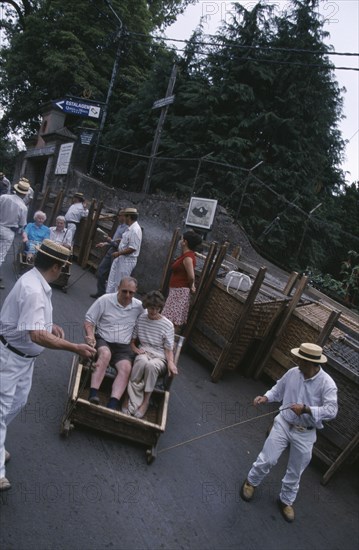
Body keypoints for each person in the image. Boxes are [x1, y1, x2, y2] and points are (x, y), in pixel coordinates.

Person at [0, 239, 96, 491]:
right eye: (63, 266)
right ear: (55, 266)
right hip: (10, 358)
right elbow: (36, 335)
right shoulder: (33, 289)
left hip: (23, 359)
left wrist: (47, 324)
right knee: (1, 409)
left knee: (17, 403)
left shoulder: (36, 282)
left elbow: (36, 325)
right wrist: (75, 347)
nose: (64, 270)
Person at [240, 342, 338, 523]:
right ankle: (250, 482)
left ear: (310, 363)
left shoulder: (327, 384)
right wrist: (266, 397)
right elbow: (278, 389)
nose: (297, 360)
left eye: (301, 359)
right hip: (284, 423)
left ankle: (286, 501)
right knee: (268, 458)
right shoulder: (293, 373)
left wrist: (307, 409)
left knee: (296, 470)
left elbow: (332, 411)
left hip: (306, 432)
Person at [84, 276, 145, 410]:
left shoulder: (139, 307)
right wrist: (90, 336)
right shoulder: (105, 300)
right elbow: (89, 320)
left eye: (131, 292)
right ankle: (93, 393)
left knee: (126, 368)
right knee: (105, 354)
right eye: (124, 291)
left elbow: (149, 321)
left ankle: (113, 402)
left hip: (123, 346)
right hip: (103, 339)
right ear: (118, 288)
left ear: (135, 292)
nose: (127, 295)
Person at [124, 290, 178, 419]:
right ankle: (128, 397)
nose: (153, 312)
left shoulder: (167, 325)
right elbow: (133, 340)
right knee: (141, 361)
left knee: (151, 366)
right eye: (150, 308)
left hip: (160, 357)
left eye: (156, 309)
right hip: (144, 351)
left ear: (160, 308)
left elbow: (169, 349)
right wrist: (134, 348)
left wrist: (171, 363)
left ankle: (145, 401)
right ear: (146, 307)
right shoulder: (142, 318)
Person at [162, 230, 202, 332]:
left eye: (182, 239)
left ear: (185, 242)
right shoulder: (186, 255)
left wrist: (191, 285)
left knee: (170, 320)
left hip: (180, 292)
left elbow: (191, 276)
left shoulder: (188, 257)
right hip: (176, 290)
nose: (180, 241)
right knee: (169, 318)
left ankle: (167, 342)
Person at [90, 209, 128, 299]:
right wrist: (105, 243)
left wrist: (110, 241)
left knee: (113, 275)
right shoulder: (120, 226)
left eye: (120, 215)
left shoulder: (127, 229)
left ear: (124, 216)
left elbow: (120, 244)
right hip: (112, 249)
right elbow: (114, 241)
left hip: (118, 252)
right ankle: (101, 292)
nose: (118, 217)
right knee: (101, 270)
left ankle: (110, 297)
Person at [0, 178, 29, 289]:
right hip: (8, 231)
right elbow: (22, 224)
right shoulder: (23, 207)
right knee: (1, 255)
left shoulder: (3, 197)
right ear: (25, 193)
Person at [106, 208, 142, 293]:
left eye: (125, 216)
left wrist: (119, 253)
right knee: (112, 281)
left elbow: (132, 248)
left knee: (119, 283)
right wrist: (119, 241)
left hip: (127, 260)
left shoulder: (135, 230)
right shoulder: (130, 228)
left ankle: (116, 302)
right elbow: (127, 241)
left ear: (129, 217)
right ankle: (108, 298)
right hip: (121, 257)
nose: (123, 219)